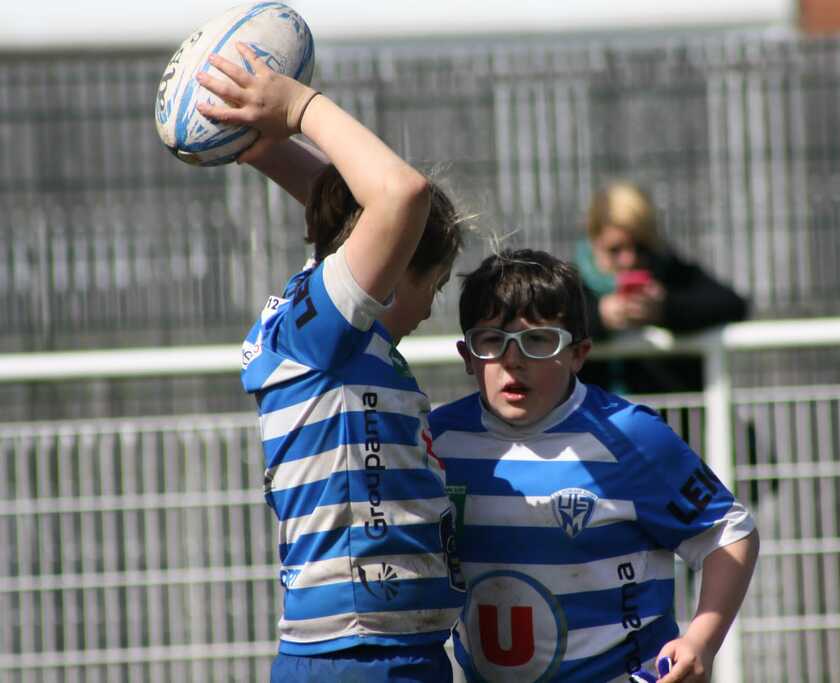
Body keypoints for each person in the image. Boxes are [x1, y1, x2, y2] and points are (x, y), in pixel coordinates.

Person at [197, 44, 466, 681]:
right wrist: (298, 105)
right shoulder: (325, 331)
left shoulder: (326, 328)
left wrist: (264, 146)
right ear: (394, 266)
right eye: (434, 284)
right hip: (361, 656)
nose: (432, 308)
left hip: (383, 651)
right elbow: (401, 194)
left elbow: (342, 211)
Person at [428, 249, 759, 682]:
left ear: (579, 353)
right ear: (467, 355)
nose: (513, 359)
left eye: (538, 340)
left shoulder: (630, 435)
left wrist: (702, 641)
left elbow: (727, 532)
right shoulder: (436, 441)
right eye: (492, 340)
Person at [574, 181, 748, 394]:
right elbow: (548, 323)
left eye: (640, 247)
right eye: (615, 250)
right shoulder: (571, 282)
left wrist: (665, 309)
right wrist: (599, 316)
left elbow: (732, 304)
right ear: (594, 241)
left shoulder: (670, 271)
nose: (630, 260)